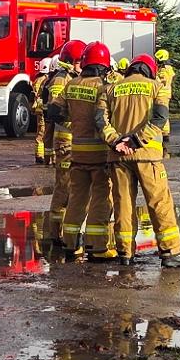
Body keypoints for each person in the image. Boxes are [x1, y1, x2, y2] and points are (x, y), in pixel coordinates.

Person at [100, 54, 180, 267]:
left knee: (123, 204)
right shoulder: (157, 87)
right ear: (150, 70)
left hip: (118, 156)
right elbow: (160, 118)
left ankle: (125, 253)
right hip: (147, 156)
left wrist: (115, 141)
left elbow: (100, 121)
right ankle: (171, 252)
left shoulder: (111, 89)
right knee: (159, 202)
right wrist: (137, 140)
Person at [55, 42, 119, 260]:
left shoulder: (71, 85)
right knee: (101, 198)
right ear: (104, 66)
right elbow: (106, 119)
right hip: (99, 154)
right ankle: (96, 247)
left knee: (76, 198)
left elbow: (53, 111)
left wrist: (74, 123)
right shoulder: (104, 87)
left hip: (77, 153)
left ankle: (70, 243)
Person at [41, 40, 86, 244]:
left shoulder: (74, 78)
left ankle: (67, 232)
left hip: (75, 139)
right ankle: (55, 233)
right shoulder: (61, 79)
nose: (82, 66)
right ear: (71, 61)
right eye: (79, 62)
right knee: (64, 188)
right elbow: (55, 112)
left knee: (76, 188)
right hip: (65, 140)